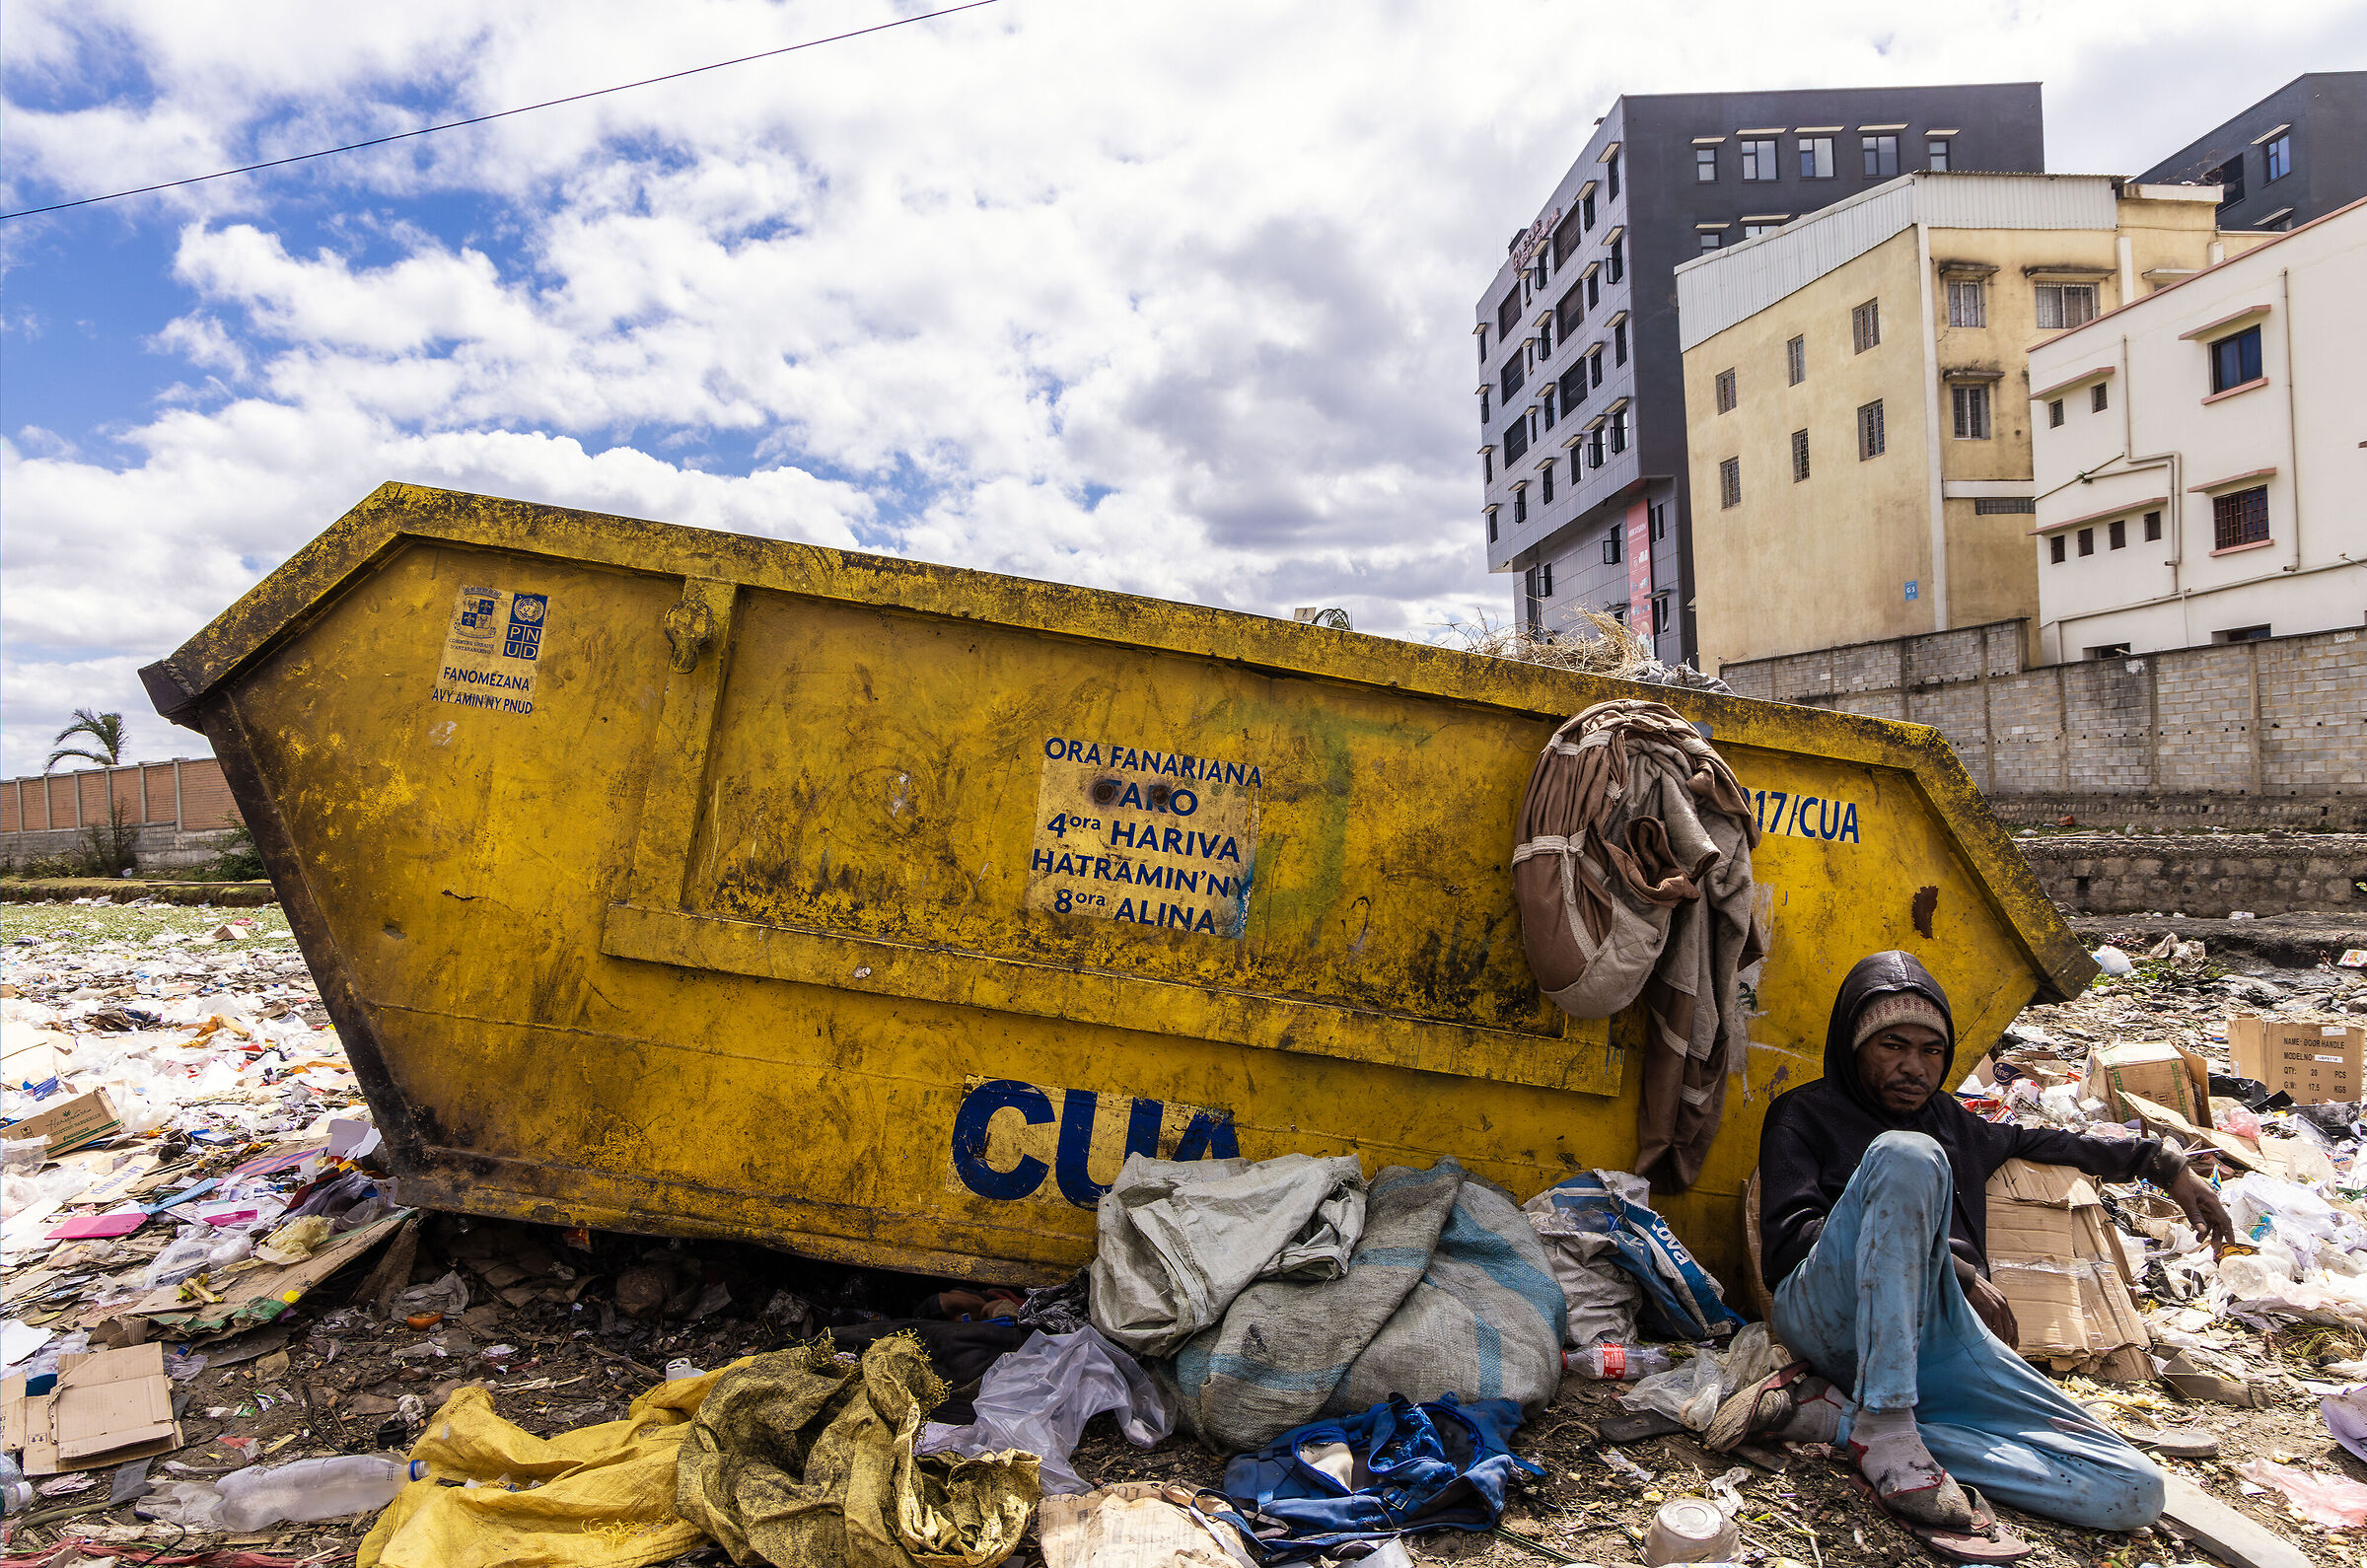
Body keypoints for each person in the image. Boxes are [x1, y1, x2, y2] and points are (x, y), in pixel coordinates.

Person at [1710, 951, 2234, 1542]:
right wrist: (1950, 1269)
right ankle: (1884, 1423)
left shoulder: (1956, 1123)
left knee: (2135, 1489)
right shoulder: (1804, 1114)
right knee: (1904, 1154)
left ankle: (1836, 1420)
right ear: (1854, 1047)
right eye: (1893, 1046)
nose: (1915, 1067)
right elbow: (1787, 1250)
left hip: (1935, 1339)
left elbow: (2058, 1142)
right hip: (1831, 1311)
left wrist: (2166, 1164)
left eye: (1931, 1050)